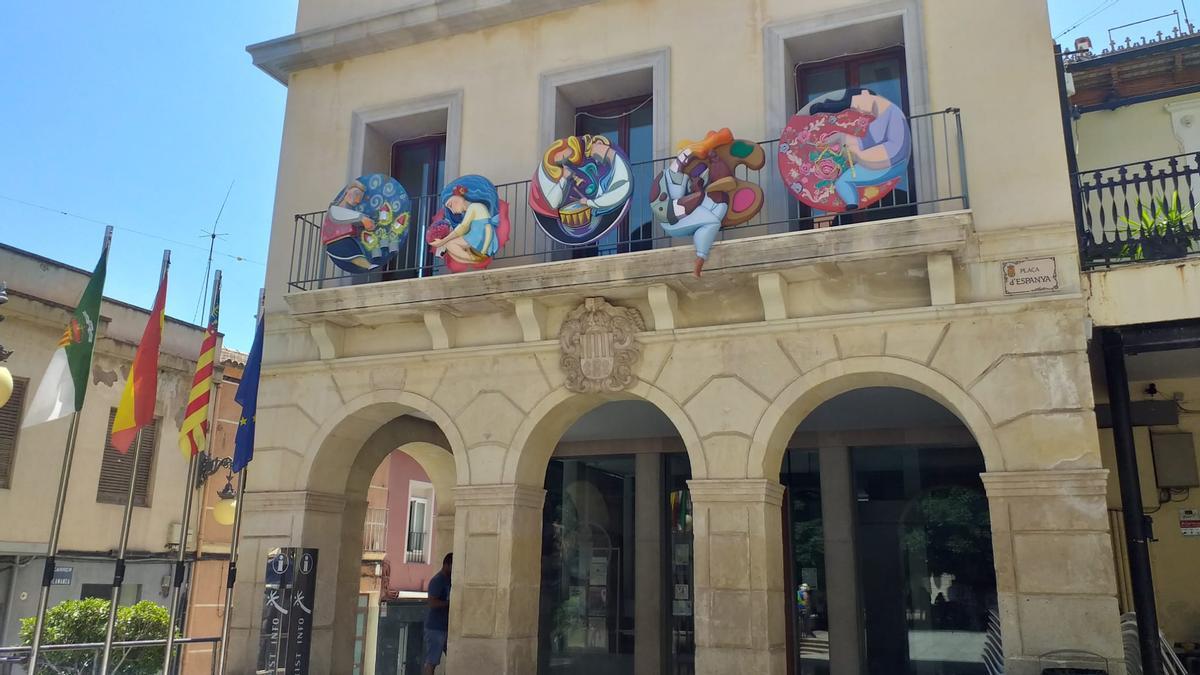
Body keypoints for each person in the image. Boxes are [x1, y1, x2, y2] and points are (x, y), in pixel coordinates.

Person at [812, 89, 911, 210]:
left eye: (856, 105)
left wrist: (859, 155)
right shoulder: (876, 122)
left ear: (865, 93)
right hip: (879, 162)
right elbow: (863, 143)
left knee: (843, 181)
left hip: (891, 164)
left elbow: (895, 149)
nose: (858, 110)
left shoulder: (893, 114)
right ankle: (852, 205)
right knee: (842, 182)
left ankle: (853, 205)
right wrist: (841, 137)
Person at [427, 176, 501, 266]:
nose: (452, 211)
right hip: (476, 238)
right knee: (450, 246)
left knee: (450, 244)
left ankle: (475, 258)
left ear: (459, 195)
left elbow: (463, 227)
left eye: (450, 205)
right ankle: (475, 259)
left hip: (478, 238)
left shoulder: (475, 207)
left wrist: (442, 241)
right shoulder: (472, 209)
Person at [423, 552, 453, 675]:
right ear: (447, 564)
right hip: (436, 628)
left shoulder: (449, 580)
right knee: (432, 661)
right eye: (453, 566)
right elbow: (432, 602)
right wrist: (448, 604)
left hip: (445, 628)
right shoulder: (437, 580)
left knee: (452, 656)